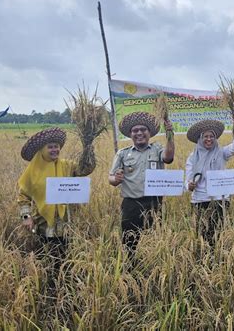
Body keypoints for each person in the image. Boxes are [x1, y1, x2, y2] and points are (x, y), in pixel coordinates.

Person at [17, 127, 96, 285]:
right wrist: (26, 217)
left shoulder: (67, 165)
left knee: (67, 255)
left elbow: (85, 170)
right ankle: (49, 284)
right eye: (50, 147)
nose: (55, 150)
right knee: (47, 256)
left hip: (67, 221)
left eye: (56, 146)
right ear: (42, 149)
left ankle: (67, 284)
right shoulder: (32, 171)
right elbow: (23, 196)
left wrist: (88, 147)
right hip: (42, 223)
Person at [109, 111, 175, 260]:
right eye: (135, 130)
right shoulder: (123, 153)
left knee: (155, 239)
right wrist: (116, 179)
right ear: (130, 134)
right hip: (131, 205)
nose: (139, 133)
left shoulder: (157, 149)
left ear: (149, 133)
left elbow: (168, 157)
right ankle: (131, 270)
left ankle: (154, 269)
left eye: (143, 129)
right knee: (130, 242)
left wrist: (170, 134)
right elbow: (111, 178)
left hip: (154, 203)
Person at [185, 116, 234, 245]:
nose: (209, 139)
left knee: (220, 233)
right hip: (200, 199)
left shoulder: (222, 152)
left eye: (211, 136)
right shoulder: (193, 157)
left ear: (215, 138)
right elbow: (187, 180)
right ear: (200, 138)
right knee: (203, 234)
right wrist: (189, 185)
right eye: (206, 136)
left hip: (220, 199)